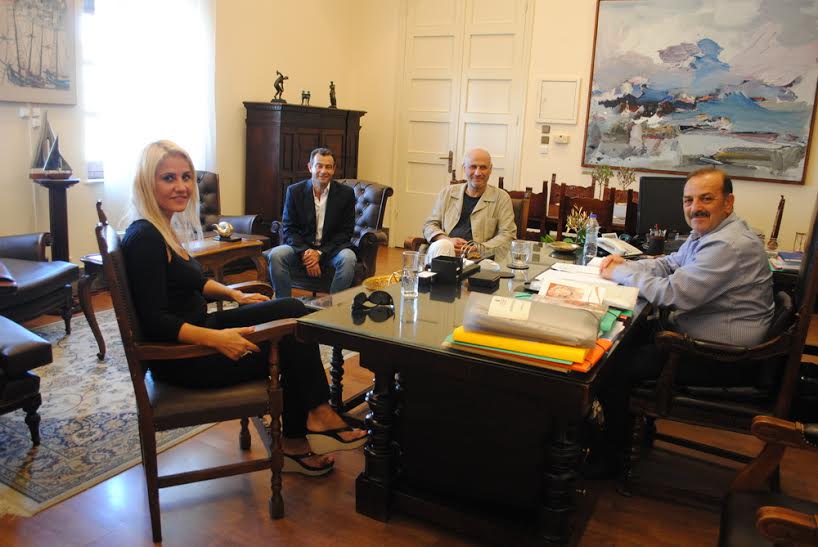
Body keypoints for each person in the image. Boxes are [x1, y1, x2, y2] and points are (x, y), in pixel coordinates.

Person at [121, 140, 366, 477]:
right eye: (168, 178)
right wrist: (218, 339)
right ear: (147, 182)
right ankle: (306, 427)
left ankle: (314, 415)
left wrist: (235, 295)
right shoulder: (145, 238)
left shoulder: (162, 228)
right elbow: (154, 321)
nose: (181, 186)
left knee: (291, 308)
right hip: (186, 358)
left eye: (186, 177)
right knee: (289, 338)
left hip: (200, 331)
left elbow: (192, 281)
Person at [589, 167, 774, 476]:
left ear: (728, 202)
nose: (695, 207)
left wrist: (620, 273)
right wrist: (630, 264)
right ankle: (616, 435)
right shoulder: (710, 233)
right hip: (702, 339)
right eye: (689, 200)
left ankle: (610, 456)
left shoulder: (727, 245)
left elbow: (673, 293)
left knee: (611, 367)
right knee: (620, 340)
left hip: (721, 356)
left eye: (706, 198)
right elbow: (670, 264)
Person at [267, 148, 357, 298]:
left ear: (334, 169)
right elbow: (289, 229)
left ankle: (333, 306)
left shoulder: (346, 194)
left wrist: (319, 254)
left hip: (331, 251)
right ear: (310, 167)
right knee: (276, 255)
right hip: (301, 249)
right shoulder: (294, 191)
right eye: (319, 166)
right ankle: (284, 304)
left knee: (349, 258)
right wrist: (306, 254)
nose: (323, 171)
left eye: (328, 167)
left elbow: (345, 232)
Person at [422, 148, 516, 262]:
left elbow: (507, 235)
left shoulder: (501, 198)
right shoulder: (447, 193)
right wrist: (446, 240)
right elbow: (429, 225)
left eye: (483, 167)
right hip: (445, 252)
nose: (478, 173)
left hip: (479, 259)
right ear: (464, 168)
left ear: (490, 169)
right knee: (443, 246)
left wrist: (478, 249)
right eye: (473, 167)